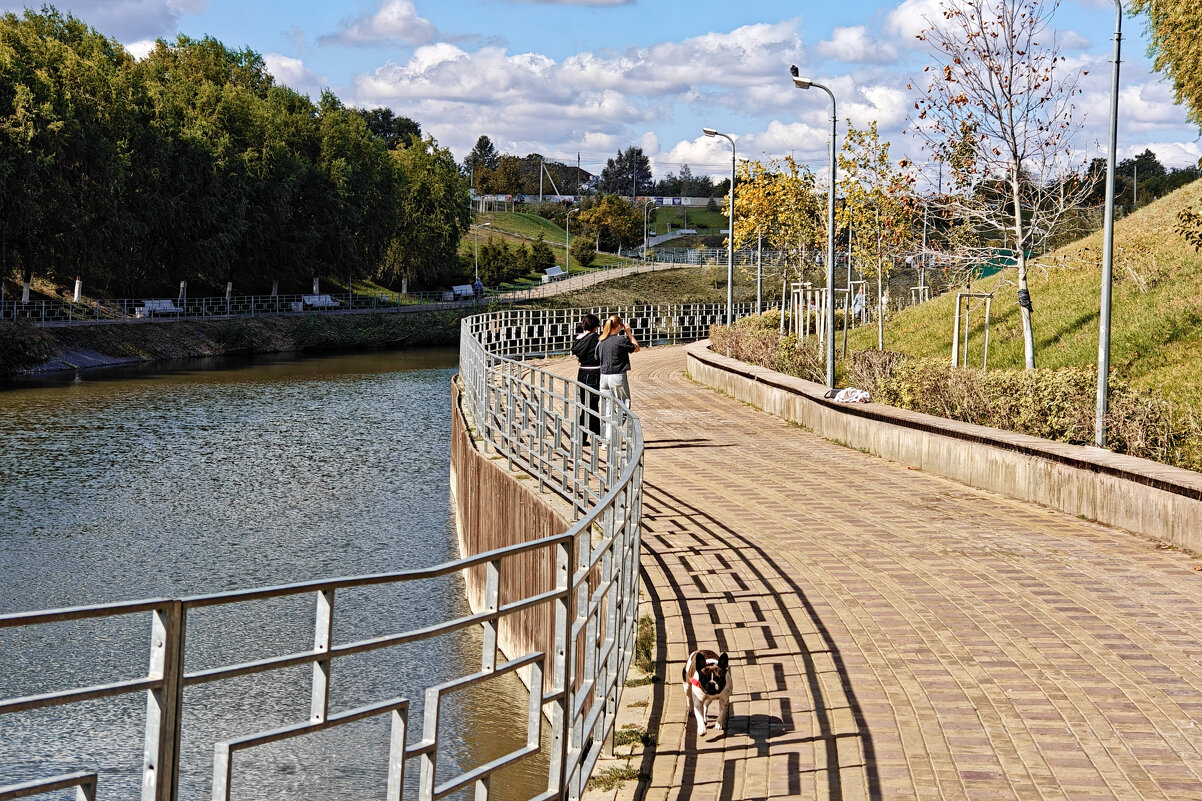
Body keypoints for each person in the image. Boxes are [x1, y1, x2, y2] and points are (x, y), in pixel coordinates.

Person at [597, 314, 641, 445]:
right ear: (618, 326)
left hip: (603, 377)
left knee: (607, 409)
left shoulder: (601, 341)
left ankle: (606, 440)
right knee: (623, 407)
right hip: (617, 376)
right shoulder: (620, 340)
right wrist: (629, 333)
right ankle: (612, 437)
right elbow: (636, 348)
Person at [571, 314, 602, 447]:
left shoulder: (578, 338)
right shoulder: (596, 338)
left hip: (582, 372)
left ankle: (586, 435)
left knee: (585, 404)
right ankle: (594, 436)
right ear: (596, 326)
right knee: (592, 405)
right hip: (594, 373)